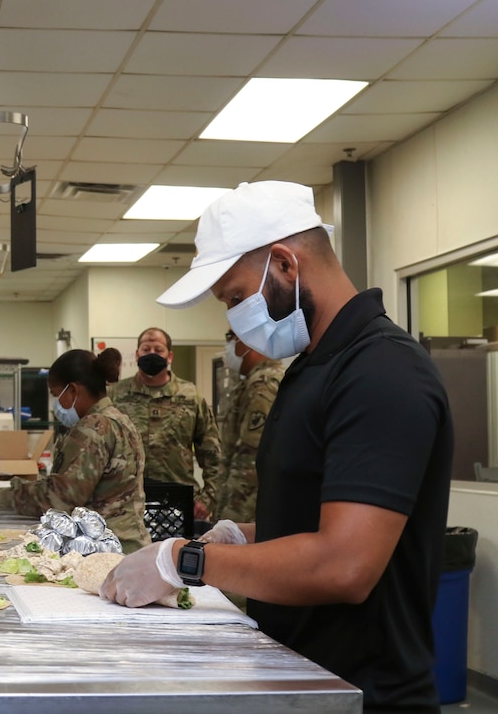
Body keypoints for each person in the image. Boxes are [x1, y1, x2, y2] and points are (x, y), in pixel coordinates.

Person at [101, 180, 453, 712]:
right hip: (300, 675)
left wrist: (187, 561)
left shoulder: (382, 373)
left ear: (286, 264)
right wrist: (237, 538)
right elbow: (318, 521)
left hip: (364, 692)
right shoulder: (313, 369)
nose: (233, 318)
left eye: (237, 297)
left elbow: (345, 563)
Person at [0, 348, 152, 553]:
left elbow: (59, 498)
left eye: (55, 395)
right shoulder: (119, 419)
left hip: (104, 550)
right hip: (128, 543)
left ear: (72, 391)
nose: (55, 405)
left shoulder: (94, 427)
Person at [109, 327, 222, 521]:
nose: (151, 354)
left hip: (179, 502)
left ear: (169, 356)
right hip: (127, 504)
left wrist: (208, 498)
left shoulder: (190, 396)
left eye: (158, 349)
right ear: (137, 355)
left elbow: (212, 453)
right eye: (146, 349)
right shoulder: (116, 395)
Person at [216, 329, 283, 523]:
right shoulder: (251, 382)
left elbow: (249, 461)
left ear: (250, 340)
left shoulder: (262, 385)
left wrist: (232, 522)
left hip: (249, 514)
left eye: (232, 338)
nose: (228, 347)